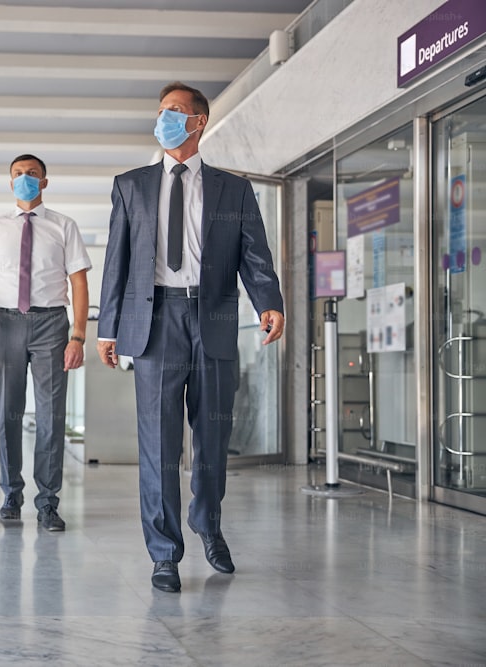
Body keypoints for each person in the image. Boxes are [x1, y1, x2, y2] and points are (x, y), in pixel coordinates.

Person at [96, 82, 284, 592]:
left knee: (213, 436)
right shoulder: (131, 185)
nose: (165, 119)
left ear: (200, 121)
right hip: (155, 322)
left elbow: (255, 254)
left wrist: (269, 302)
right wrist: (107, 327)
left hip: (215, 318)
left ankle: (209, 523)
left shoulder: (233, 189)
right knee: (157, 443)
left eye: (175, 112)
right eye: (160, 112)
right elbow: (117, 262)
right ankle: (164, 552)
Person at [0, 154, 92, 532]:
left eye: (32, 174)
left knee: (52, 415)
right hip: (5, 323)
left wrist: (78, 336)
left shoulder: (64, 226)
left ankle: (48, 502)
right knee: (7, 412)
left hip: (52, 323)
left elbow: (80, 284)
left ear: (45, 182)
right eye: (18, 174)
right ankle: (11, 494)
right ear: (10, 183)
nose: (25, 179)